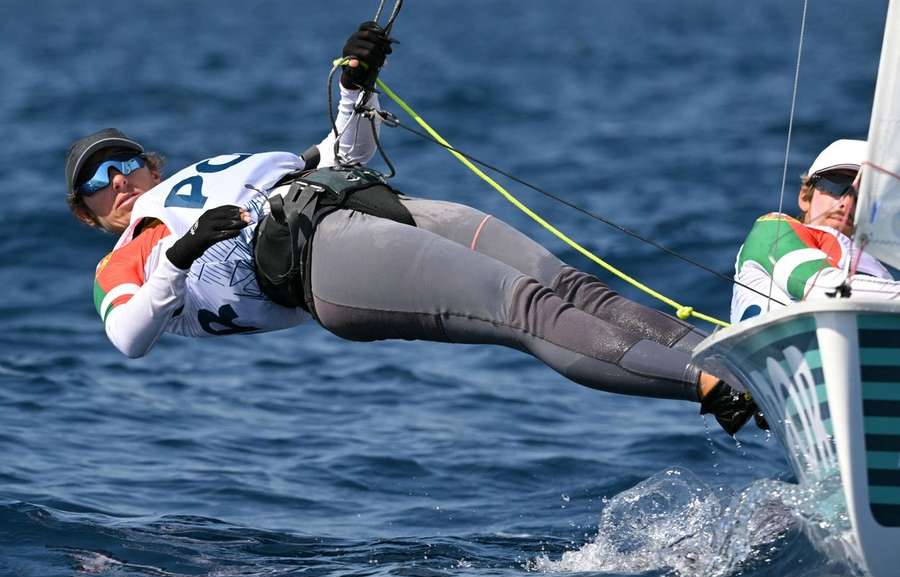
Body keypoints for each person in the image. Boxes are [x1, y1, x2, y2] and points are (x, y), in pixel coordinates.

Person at [66, 23, 764, 435]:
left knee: (572, 285)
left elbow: (346, 154)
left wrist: (355, 85)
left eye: (122, 162)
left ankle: (750, 365)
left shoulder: (211, 167)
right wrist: (183, 252)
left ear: (149, 161)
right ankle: (709, 387)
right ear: (89, 215)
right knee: (525, 308)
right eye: (96, 185)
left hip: (357, 203)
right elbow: (129, 339)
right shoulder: (124, 261)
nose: (117, 182)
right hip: (322, 268)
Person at [731, 139, 900, 323]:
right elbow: (823, 290)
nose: (847, 203)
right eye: (835, 185)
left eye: (864, 196)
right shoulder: (773, 229)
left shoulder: (883, 275)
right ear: (805, 196)